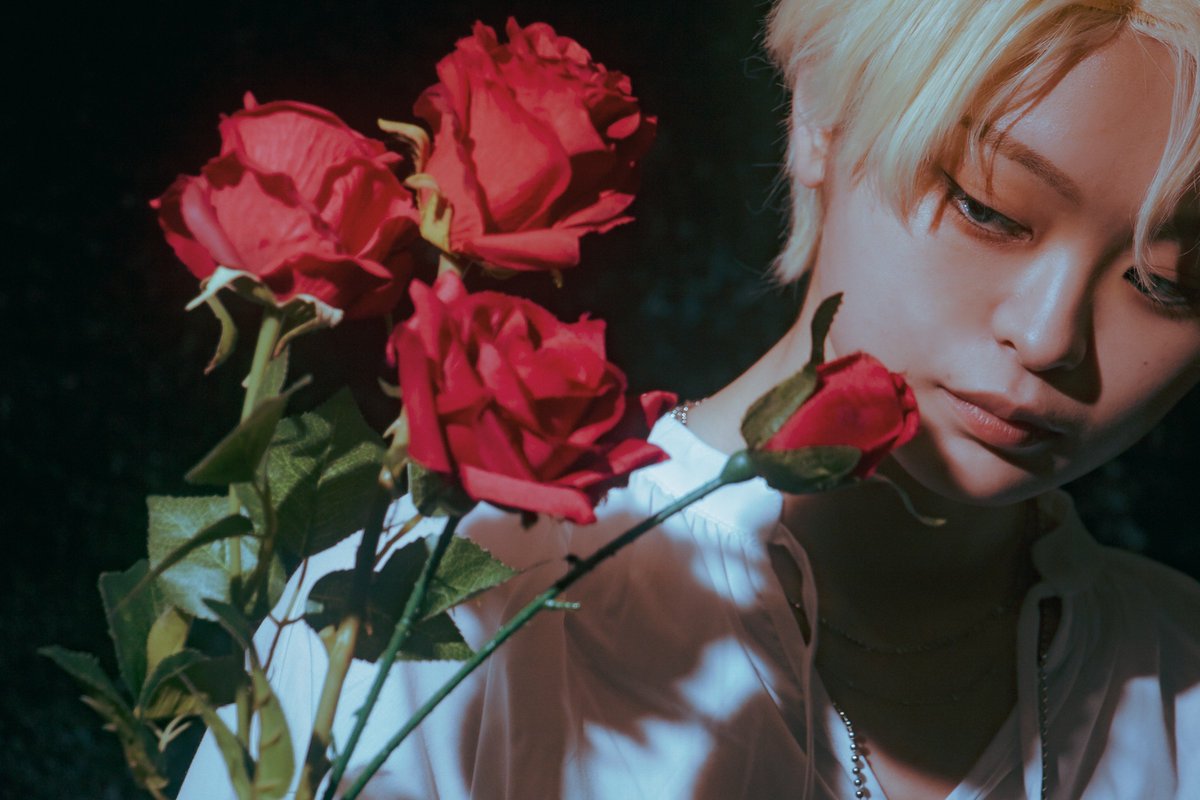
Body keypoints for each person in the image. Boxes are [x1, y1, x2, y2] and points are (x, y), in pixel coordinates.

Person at [179, 1, 1200, 797]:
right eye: (990, 209)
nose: (1051, 336)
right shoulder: (426, 612)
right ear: (822, 113)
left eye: (1169, 283)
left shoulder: (1180, 679)